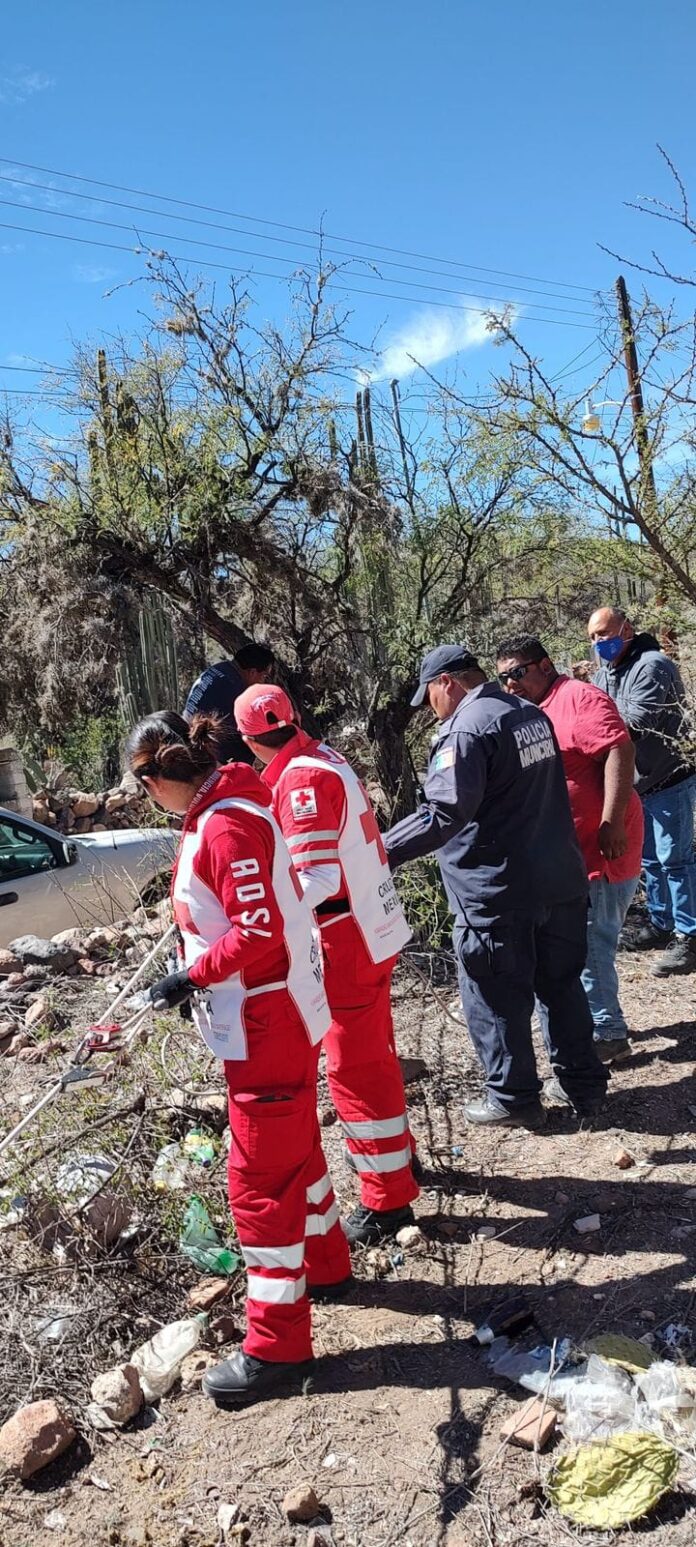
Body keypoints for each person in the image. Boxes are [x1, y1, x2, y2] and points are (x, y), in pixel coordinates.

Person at [126, 710, 351, 1406]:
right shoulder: (227, 805)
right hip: (271, 1015)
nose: (147, 803)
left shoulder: (224, 822)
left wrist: (191, 975)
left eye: (144, 789)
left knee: (256, 1186)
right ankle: (327, 1262)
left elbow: (256, 930)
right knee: (296, 1155)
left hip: (266, 1020)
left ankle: (278, 1344)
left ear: (159, 776)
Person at [383, 644, 608, 1126]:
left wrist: (378, 851)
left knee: (495, 995)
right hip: (558, 880)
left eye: (431, 697)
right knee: (562, 985)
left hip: (498, 893)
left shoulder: (466, 729)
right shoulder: (528, 713)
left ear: (448, 683)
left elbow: (443, 811)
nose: (431, 708)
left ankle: (513, 1097)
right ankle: (584, 1087)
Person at [233, 683, 420, 1246]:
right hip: (368, 928)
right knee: (375, 1059)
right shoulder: (323, 759)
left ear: (247, 739)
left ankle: (388, 1200)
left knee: (354, 1071)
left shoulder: (302, 780)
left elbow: (317, 878)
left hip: (345, 938)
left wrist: (266, 913)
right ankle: (399, 1163)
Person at [495, 635, 643, 1064]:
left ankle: (607, 1033)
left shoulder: (578, 698)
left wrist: (610, 823)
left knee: (591, 944)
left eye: (518, 673)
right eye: (503, 677)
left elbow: (619, 748)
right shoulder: (535, 709)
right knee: (583, 943)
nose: (511, 684)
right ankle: (602, 1021)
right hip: (572, 855)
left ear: (544, 665)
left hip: (603, 850)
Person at [588, 607, 696, 976]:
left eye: (604, 633)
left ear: (626, 629)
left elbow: (631, 724)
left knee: (676, 860)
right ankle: (661, 923)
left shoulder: (652, 666)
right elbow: (600, 717)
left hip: (668, 777)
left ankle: (689, 936)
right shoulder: (607, 672)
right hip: (637, 784)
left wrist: (593, 734)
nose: (598, 642)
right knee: (649, 859)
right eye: (592, 637)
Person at [183, 643, 275, 763]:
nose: (263, 682)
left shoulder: (221, 668)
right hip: (203, 750)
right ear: (252, 672)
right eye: (264, 676)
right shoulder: (234, 690)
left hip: (188, 734)